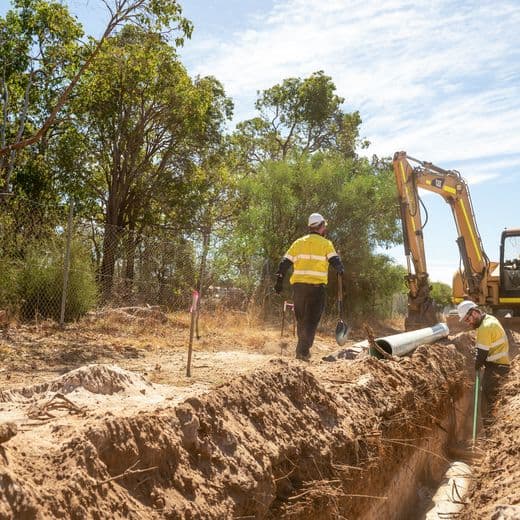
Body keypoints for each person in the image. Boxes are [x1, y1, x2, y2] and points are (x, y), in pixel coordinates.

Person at [274, 212, 344, 361]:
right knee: (311, 320)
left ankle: (302, 349)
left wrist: (279, 281)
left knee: (301, 319)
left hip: (299, 288)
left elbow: (284, 263)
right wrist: (339, 268)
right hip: (316, 288)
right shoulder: (326, 244)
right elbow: (335, 261)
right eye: (324, 225)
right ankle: (303, 351)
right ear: (321, 226)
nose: (325, 228)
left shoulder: (298, 243)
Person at [457, 300, 510, 407]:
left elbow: (481, 356)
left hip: (496, 369)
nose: (468, 322)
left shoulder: (485, 328)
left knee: (488, 402)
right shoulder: (490, 318)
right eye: (465, 321)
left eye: (468, 319)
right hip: (502, 366)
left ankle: (489, 422)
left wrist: (475, 366)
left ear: (475, 313)